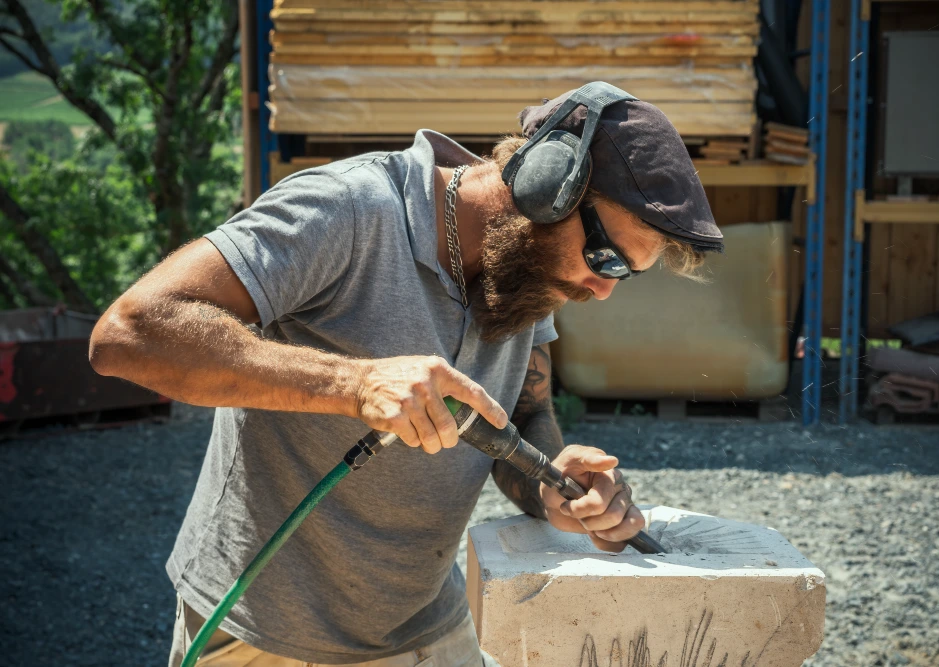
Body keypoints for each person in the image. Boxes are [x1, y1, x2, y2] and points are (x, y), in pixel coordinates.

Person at [89, 87, 724, 667]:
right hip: (264, 629)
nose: (603, 289)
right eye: (605, 256)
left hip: (425, 626)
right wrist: (353, 384)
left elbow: (523, 416)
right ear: (547, 184)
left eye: (625, 273)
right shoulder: (350, 210)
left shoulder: (528, 271)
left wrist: (557, 483)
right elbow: (130, 334)